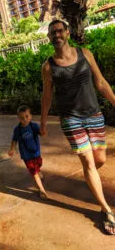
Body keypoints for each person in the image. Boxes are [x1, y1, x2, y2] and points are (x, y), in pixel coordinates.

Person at [40, 19, 115, 234]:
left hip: (93, 114)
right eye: (52, 33)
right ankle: (106, 210)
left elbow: (100, 83)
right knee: (89, 162)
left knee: (99, 159)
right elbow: (47, 96)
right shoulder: (48, 66)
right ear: (49, 37)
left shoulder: (85, 54)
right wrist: (43, 123)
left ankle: (90, 177)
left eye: (60, 31)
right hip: (71, 120)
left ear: (68, 32)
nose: (56, 35)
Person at [8, 105, 48, 199]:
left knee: (39, 164)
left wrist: (43, 131)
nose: (25, 119)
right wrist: (12, 148)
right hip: (27, 156)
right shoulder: (17, 130)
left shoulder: (33, 126)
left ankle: (39, 171)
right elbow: (14, 140)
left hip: (36, 152)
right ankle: (42, 190)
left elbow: (41, 133)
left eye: (27, 116)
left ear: (31, 116)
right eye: (22, 118)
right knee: (34, 172)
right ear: (18, 118)